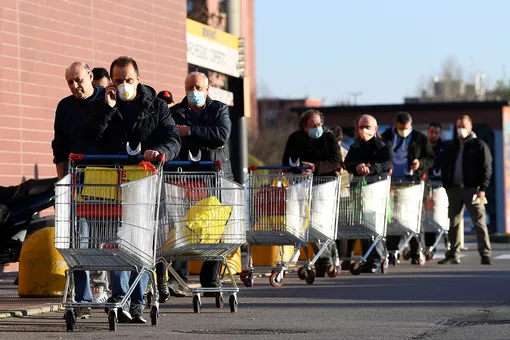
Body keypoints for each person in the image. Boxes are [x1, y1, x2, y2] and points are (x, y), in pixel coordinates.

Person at [86, 56, 181, 323]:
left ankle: (137, 301)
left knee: (138, 242)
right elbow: (92, 137)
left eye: (129, 80)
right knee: (117, 241)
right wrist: (107, 108)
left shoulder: (157, 107)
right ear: (111, 82)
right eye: (118, 81)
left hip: (145, 185)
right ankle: (120, 297)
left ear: (138, 79)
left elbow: (172, 139)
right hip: (112, 185)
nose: (124, 85)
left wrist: (160, 152)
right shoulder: (103, 104)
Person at [169, 71, 233, 296]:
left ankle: (210, 279)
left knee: (213, 229)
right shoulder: (175, 112)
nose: (193, 92)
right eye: (189, 88)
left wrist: (189, 132)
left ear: (207, 90)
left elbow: (220, 136)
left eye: (198, 88)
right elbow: (170, 137)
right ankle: (178, 278)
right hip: (185, 177)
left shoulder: (219, 110)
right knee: (182, 224)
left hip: (214, 178)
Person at [51, 61, 107, 319]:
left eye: (78, 80)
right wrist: (63, 184)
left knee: (105, 242)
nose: (75, 86)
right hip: (79, 183)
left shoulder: (106, 102)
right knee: (79, 242)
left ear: (91, 76)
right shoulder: (65, 107)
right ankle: (82, 299)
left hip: (108, 183)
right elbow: (60, 148)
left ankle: (106, 290)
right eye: (70, 82)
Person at [282, 110, 344, 277]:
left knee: (319, 223)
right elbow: (287, 161)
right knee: (304, 224)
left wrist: (316, 167)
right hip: (301, 185)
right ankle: (325, 260)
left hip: (324, 184)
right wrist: (298, 169)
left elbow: (336, 161)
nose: (318, 128)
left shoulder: (329, 137)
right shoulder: (295, 139)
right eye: (314, 125)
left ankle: (324, 260)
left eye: (319, 125)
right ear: (304, 126)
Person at [381, 112, 435, 265]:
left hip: (413, 183)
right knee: (393, 219)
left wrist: (420, 163)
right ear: (395, 125)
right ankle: (392, 250)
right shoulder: (386, 136)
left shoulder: (419, 138)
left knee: (415, 216)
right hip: (392, 184)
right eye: (400, 128)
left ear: (411, 125)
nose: (403, 131)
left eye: (406, 128)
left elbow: (431, 159)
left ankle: (416, 249)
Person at [343, 114, 394, 273]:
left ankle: (376, 260)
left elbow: (388, 163)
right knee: (363, 225)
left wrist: (371, 169)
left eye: (368, 127)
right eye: (361, 127)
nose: (364, 130)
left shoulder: (384, 145)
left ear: (376, 129)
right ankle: (368, 258)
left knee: (374, 223)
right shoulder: (355, 146)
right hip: (360, 189)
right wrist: (357, 167)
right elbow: (348, 163)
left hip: (376, 187)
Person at [439, 115, 492, 265]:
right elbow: (446, 165)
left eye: (463, 126)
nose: (460, 129)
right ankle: (452, 254)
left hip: (473, 190)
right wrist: (447, 184)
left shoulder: (479, 145)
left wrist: (482, 188)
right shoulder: (453, 145)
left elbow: (486, 168)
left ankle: (485, 254)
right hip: (454, 190)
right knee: (453, 223)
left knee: (479, 222)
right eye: (458, 126)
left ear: (470, 127)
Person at [424, 122, 450, 257]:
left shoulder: (445, 148)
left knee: (443, 217)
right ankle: (430, 247)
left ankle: (448, 243)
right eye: (431, 132)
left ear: (440, 134)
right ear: (428, 132)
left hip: (442, 187)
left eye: (436, 132)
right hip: (427, 187)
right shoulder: (423, 148)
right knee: (428, 217)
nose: (433, 135)